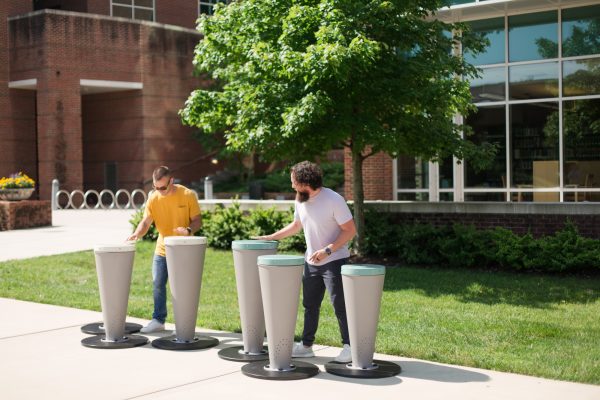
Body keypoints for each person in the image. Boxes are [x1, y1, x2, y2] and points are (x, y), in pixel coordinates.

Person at [256, 161, 356, 363]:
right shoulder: (300, 198)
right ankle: (307, 346)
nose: (292, 185)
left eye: (294, 181)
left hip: (334, 259)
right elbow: (296, 225)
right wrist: (271, 237)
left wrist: (327, 250)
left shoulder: (333, 199)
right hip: (311, 261)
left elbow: (350, 230)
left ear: (305, 181)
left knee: (340, 305)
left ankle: (350, 347)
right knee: (310, 304)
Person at [127, 166, 202, 333]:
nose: (159, 190)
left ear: (171, 181)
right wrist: (137, 234)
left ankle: (183, 323)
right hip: (162, 249)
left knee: (181, 287)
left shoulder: (187, 195)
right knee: (157, 284)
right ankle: (158, 320)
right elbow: (146, 222)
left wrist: (189, 230)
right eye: (156, 187)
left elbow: (198, 220)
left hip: (182, 250)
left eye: (162, 187)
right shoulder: (154, 198)